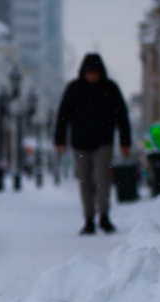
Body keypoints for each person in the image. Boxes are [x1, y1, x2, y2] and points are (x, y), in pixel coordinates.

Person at [54, 53, 131, 235]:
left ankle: (104, 217)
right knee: (85, 182)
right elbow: (63, 115)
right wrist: (59, 139)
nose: (92, 76)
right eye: (89, 72)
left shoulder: (110, 89)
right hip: (80, 143)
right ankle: (89, 219)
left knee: (103, 180)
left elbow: (122, 116)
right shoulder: (74, 89)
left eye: (95, 72)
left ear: (100, 72)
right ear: (83, 72)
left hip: (104, 142)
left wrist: (125, 141)